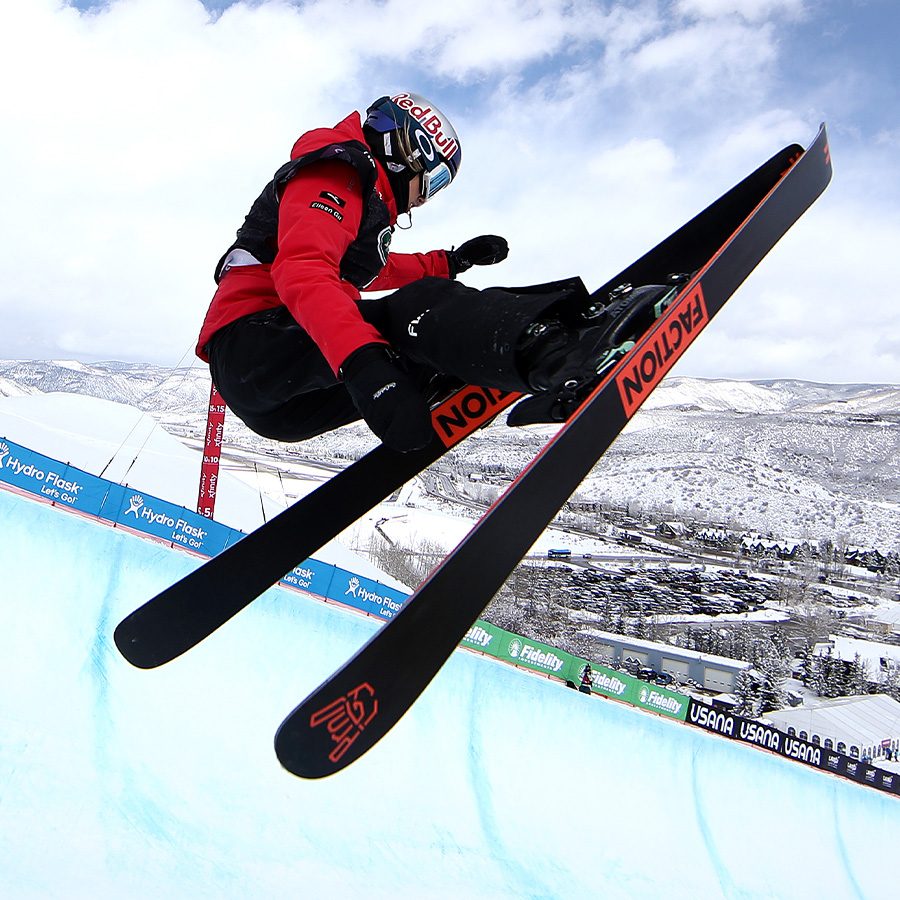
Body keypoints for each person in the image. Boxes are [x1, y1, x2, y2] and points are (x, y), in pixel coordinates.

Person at [196, 92, 641, 452]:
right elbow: (303, 271)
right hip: (254, 344)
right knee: (415, 314)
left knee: (426, 342)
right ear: (405, 152)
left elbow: (378, 272)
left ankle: (472, 375)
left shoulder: (357, 200)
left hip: (280, 402)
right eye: (432, 182)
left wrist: (454, 262)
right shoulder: (335, 170)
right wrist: (365, 365)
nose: (424, 200)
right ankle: (553, 347)